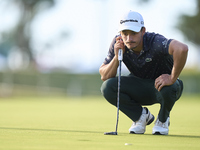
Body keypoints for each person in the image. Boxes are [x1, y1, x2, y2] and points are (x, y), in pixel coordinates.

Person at [99, 10, 188, 135]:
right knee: (108, 87)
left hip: (163, 88)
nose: (129, 39)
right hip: (138, 87)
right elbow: (104, 76)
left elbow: (182, 48)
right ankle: (140, 117)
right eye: (125, 34)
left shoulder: (155, 41)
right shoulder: (118, 43)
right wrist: (116, 57)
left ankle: (163, 119)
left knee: (169, 87)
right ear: (120, 33)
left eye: (134, 33)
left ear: (143, 31)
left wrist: (172, 77)